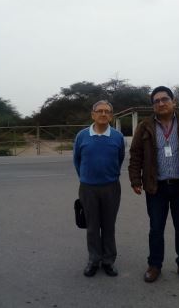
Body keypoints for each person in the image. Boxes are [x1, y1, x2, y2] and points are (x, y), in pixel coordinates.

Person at [128, 86, 179, 285]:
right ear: (153, 106)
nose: (161, 103)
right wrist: (135, 180)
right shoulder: (145, 126)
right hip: (155, 187)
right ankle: (154, 265)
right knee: (156, 228)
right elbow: (136, 155)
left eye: (165, 99)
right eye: (156, 101)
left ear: (174, 102)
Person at [73, 100, 125, 277]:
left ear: (111, 116)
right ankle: (94, 260)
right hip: (88, 188)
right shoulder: (82, 136)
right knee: (93, 227)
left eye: (107, 111)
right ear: (93, 114)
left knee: (109, 226)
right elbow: (77, 160)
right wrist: (86, 178)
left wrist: (109, 176)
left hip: (111, 187)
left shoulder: (118, 137)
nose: (103, 114)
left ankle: (108, 261)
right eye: (100, 111)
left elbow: (120, 158)